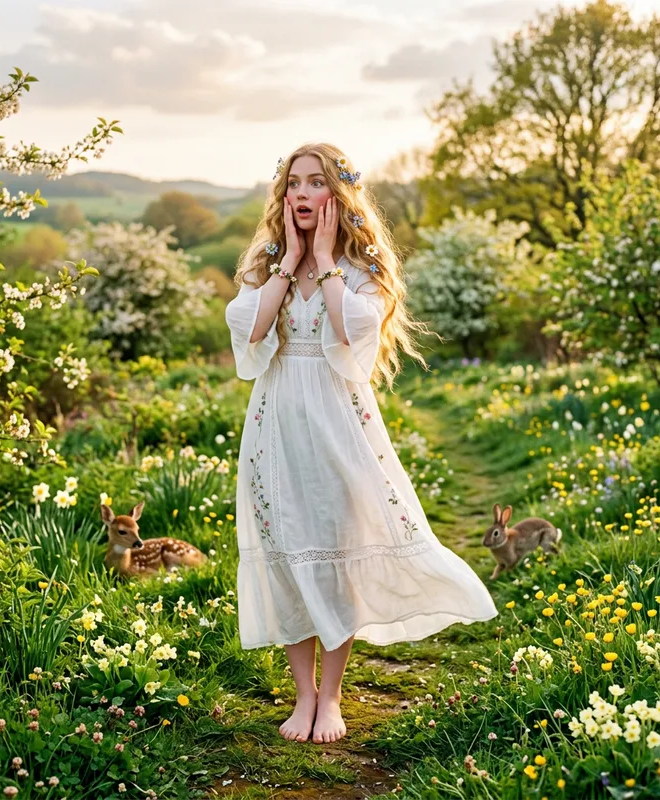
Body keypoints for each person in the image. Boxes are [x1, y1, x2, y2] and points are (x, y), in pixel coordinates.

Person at [224, 143, 498, 745]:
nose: (300, 193)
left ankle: (331, 698)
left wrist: (322, 262)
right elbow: (251, 327)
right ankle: (301, 696)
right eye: (292, 182)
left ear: (337, 195)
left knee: (336, 549)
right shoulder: (266, 264)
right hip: (275, 424)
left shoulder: (360, 268)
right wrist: (290, 260)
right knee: (289, 553)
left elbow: (353, 332)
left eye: (314, 183)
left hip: (338, 422)